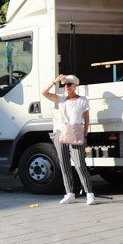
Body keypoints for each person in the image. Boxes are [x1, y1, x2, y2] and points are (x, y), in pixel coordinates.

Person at [43, 74, 95, 205]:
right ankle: (69, 193)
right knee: (64, 164)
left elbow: (87, 118)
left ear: (75, 86)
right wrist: (55, 80)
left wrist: (85, 133)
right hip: (61, 133)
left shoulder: (83, 100)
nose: (66, 87)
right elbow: (44, 92)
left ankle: (89, 193)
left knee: (79, 164)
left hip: (76, 133)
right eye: (65, 84)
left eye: (69, 84)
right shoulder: (61, 99)